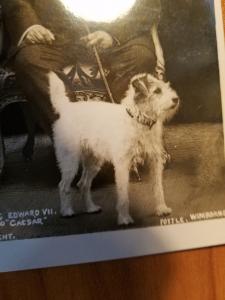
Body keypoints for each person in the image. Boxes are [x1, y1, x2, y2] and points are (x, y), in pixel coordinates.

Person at [1, 0, 161, 133]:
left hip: (114, 35)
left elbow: (146, 4)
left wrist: (114, 35)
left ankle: (125, 137)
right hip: (53, 36)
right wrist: (30, 25)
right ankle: (77, 143)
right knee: (30, 60)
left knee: (140, 56)